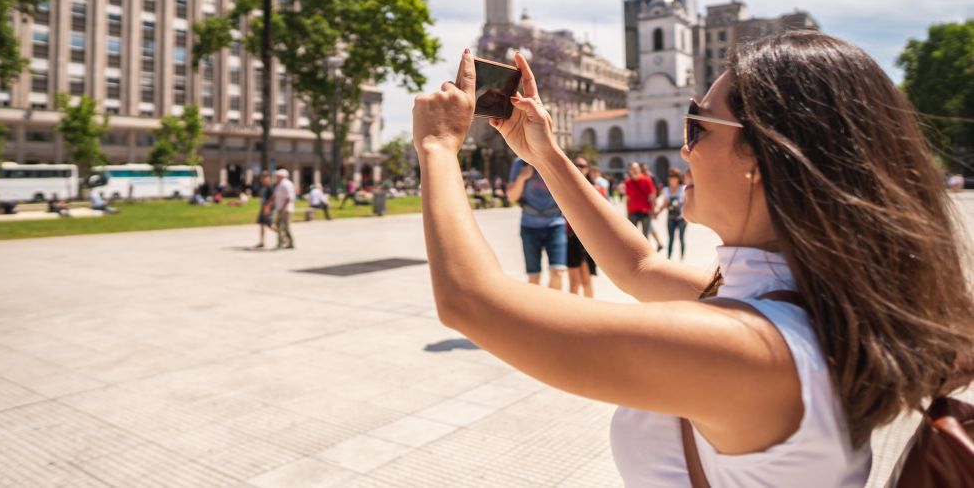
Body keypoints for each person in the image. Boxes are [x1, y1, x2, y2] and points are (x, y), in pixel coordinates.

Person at [411, 39, 974, 487]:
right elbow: (640, 268)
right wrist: (544, 154)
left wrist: (437, 149)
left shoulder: (752, 350)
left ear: (760, 155)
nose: (683, 149)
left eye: (696, 125)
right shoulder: (811, 299)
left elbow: (473, 302)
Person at [507, 157, 567, 289]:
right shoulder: (521, 162)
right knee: (534, 277)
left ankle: (554, 308)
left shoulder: (556, 158)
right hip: (529, 225)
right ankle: (539, 309)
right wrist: (522, 177)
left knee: (557, 272)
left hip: (555, 223)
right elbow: (512, 197)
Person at [567, 157, 599, 298]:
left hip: (589, 238)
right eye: (576, 165)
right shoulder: (564, 187)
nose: (579, 168)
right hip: (570, 237)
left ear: (588, 169)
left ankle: (590, 316)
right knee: (574, 282)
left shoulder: (596, 189)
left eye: (583, 166)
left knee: (587, 281)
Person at [624, 161, 663, 251]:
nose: (634, 170)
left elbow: (652, 195)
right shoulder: (628, 182)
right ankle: (634, 252)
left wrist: (653, 211)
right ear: (629, 171)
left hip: (645, 211)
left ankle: (645, 253)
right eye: (632, 169)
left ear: (639, 169)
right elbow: (627, 198)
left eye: (636, 168)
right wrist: (627, 213)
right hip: (632, 212)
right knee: (632, 235)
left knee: (645, 235)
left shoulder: (647, 180)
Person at [655, 168, 687, 260]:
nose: (671, 179)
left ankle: (682, 258)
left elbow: (686, 204)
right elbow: (665, 203)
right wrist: (658, 212)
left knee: (681, 238)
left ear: (678, 178)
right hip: (671, 217)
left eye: (673, 176)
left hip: (681, 218)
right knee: (671, 239)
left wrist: (687, 218)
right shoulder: (666, 190)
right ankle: (669, 258)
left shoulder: (683, 189)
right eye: (670, 176)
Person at [271, 168, 296, 249]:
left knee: (285, 226)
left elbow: (288, 198)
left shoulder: (286, 184)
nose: (276, 176)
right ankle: (281, 242)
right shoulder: (280, 184)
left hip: (285, 209)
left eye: (277, 175)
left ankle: (289, 243)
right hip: (280, 208)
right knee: (280, 226)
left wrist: (284, 208)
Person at [253, 171, 275, 248]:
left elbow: (273, 198)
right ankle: (262, 242)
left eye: (265, 177)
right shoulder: (263, 186)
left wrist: (267, 207)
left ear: (268, 178)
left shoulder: (270, 187)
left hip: (268, 208)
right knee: (261, 224)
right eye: (262, 177)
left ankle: (282, 236)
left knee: (269, 224)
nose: (263, 179)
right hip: (263, 207)